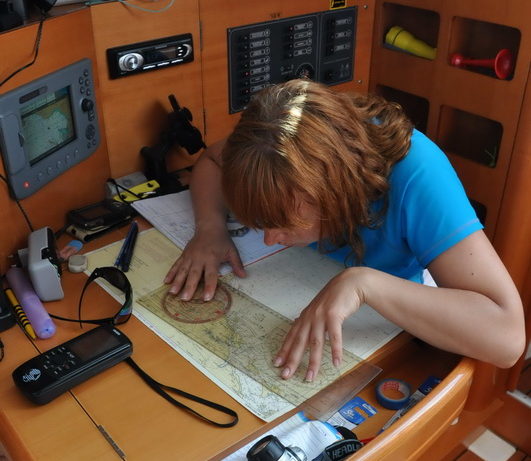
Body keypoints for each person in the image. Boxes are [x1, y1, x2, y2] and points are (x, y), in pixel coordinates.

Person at [164, 79, 525, 381]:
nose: (270, 239)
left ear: (334, 192)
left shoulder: (418, 173)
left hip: (398, 329)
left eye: (284, 224)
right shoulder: (268, 146)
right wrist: (209, 227)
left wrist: (364, 283)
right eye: (261, 225)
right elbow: (211, 160)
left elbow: (508, 339)